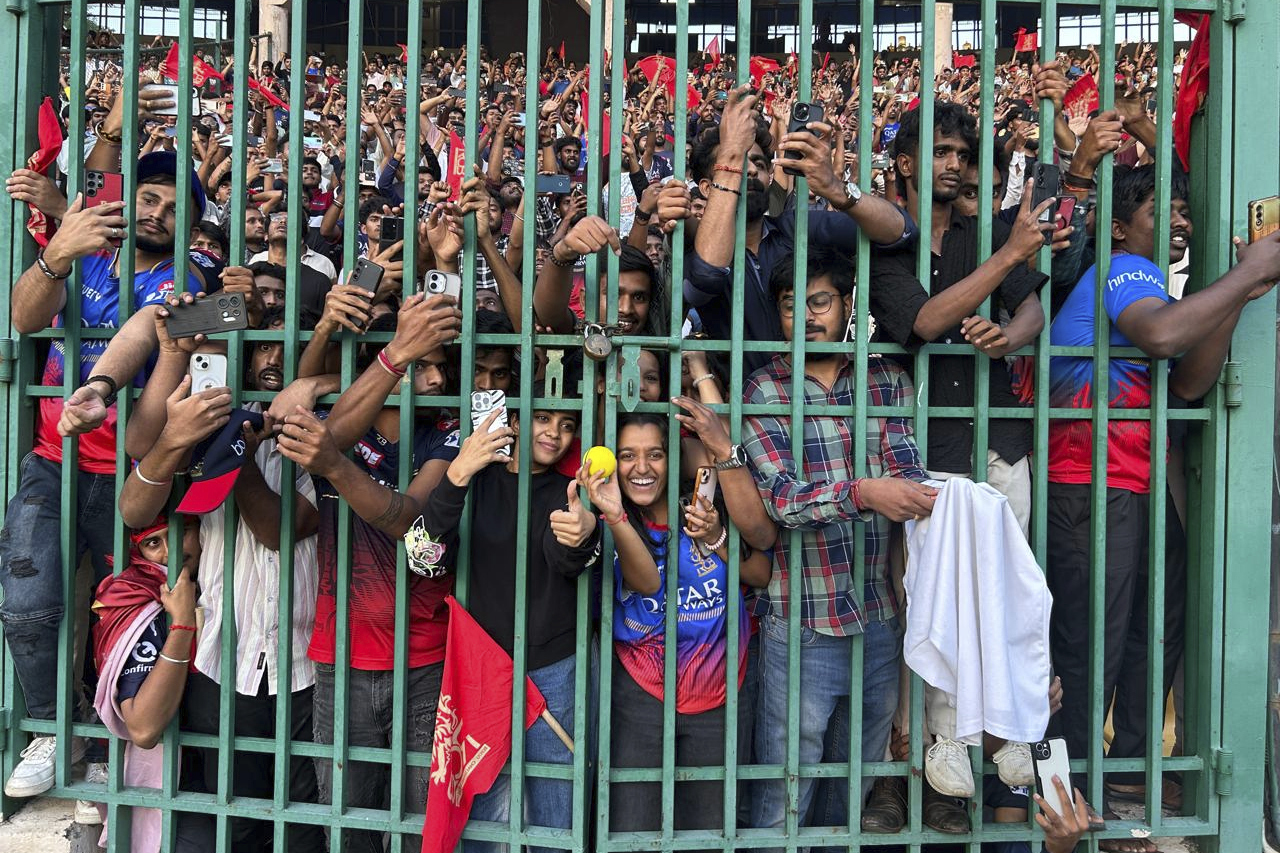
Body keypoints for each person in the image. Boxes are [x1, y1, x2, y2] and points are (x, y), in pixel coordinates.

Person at [1046, 165, 1280, 852]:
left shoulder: (1150, 279)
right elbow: (1161, 338)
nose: (1178, 221)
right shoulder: (1126, 268)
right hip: (1091, 488)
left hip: (1132, 485)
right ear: (1119, 226)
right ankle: (1073, 805)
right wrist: (1245, 277)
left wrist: (1247, 286)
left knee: (1151, 637)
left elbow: (1190, 379)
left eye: (1184, 210)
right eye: (1163, 210)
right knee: (1091, 651)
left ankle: (1123, 790)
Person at [0, 150, 213, 799]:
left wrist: (106, 389)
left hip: (132, 474)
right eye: (150, 198)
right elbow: (23, 318)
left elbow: (153, 426)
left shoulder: (195, 284)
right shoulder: (86, 246)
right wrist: (56, 252)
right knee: (27, 601)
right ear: (129, 199)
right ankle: (50, 727)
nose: (159, 214)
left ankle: (106, 736)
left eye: (176, 210)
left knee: (119, 615)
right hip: (53, 458)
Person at [116, 305, 331, 851]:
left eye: (286, 347)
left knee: (306, 827)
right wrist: (186, 443)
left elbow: (282, 529)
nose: (274, 358)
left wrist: (235, 456)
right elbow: (135, 512)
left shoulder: (312, 430)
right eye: (262, 346)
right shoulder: (197, 429)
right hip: (220, 660)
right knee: (235, 822)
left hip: (306, 665)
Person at [742, 248, 937, 840]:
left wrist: (901, 492)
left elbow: (908, 473)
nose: (806, 318)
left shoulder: (887, 379)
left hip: (878, 619)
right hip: (801, 619)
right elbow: (781, 498)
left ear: (849, 304)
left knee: (849, 788)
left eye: (820, 302)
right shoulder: (765, 389)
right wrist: (865, 492)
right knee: (785, 793)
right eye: (790, 306)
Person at [277, 295, 463, 853]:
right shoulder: (351, 425)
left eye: (439, 366)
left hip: (427, 659)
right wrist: (387, 360)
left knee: (418, 830)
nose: (434, 379)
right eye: (419, 365)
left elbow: (413, 520)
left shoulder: (444, 434)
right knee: (349, 828)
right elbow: (322, 439)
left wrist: (334, 465)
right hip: (341, 658)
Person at [420, 391, 601, 853]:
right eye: (543, 417)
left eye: (566, 424)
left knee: (554, 817)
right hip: (479, 669)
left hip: (555, 668)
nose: (554, 433)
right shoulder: (477, 482)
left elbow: (567, 564)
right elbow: (422, 560)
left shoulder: (569, 494)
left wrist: (584, 535)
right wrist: (457, 474)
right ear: (515, 422)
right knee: (482, 813)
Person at [578, 413, 772, 842]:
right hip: (639, 696)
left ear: (673, 459)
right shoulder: (605, 523)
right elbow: (644, 581)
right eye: (627, 455)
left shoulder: (705, 509)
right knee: (632, 831)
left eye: (655, 455)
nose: (642, 468)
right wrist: (613, 515)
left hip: (721, 695)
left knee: (705, 834)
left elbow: (761, 573)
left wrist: (718, 535)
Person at [685, 85, 916, 372]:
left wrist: (836, 189)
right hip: (740, 407)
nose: (752, 170)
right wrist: (729, 158)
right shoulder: (691, 240)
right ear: (706, 188)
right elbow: (707, 275)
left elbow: (901, 230)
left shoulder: (796, 228)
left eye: (758, 162)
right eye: (737, 162)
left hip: (816, 400)